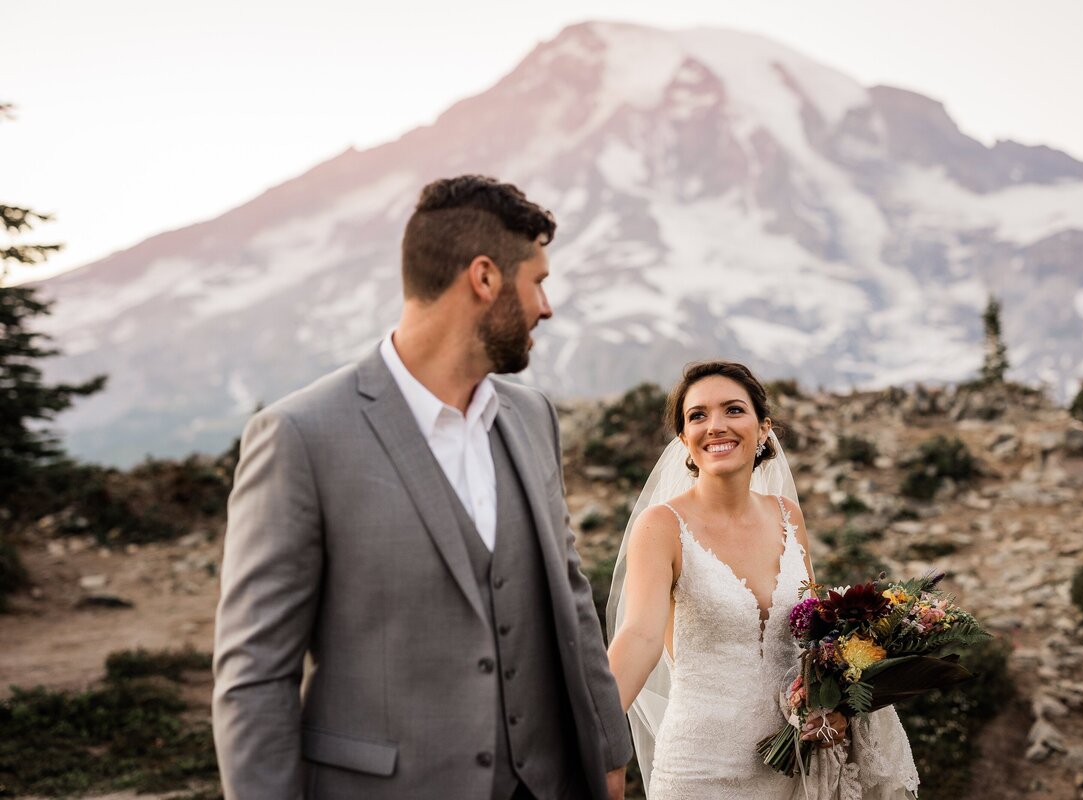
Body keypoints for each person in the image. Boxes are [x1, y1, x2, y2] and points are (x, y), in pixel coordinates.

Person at [212, 175, 632, 800]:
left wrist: (607, 755)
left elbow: (571, 599)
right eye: (538, 281)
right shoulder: (301, 436)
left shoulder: (532, 417)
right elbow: (254, 676)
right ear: (484, 278)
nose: (547, 306)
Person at [606, 361, 918, 799]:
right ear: (683, 439)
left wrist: (837, 706)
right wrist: (590, 732)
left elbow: (814, 639)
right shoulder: (661, 526)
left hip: (792, 768)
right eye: (697, 415)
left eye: (733, 410)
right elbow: (639, 635)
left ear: (763, 428)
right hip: (699, 770)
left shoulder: (789, 516)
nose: (715, 426)